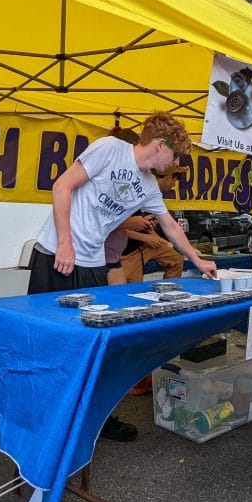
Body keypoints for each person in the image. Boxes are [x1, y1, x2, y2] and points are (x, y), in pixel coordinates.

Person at [28, 112, 217, 441]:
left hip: (92, 264)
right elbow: (62, 186)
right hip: (56, 256)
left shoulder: (147, 185)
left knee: (94, 344)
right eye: (175, 154)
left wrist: (197, 259)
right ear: (160, 145)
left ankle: (99, 418)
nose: (175, 161)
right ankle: (41, 427)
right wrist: (65, 243)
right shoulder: (108, 148)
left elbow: (170, 225)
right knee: (49, 345)